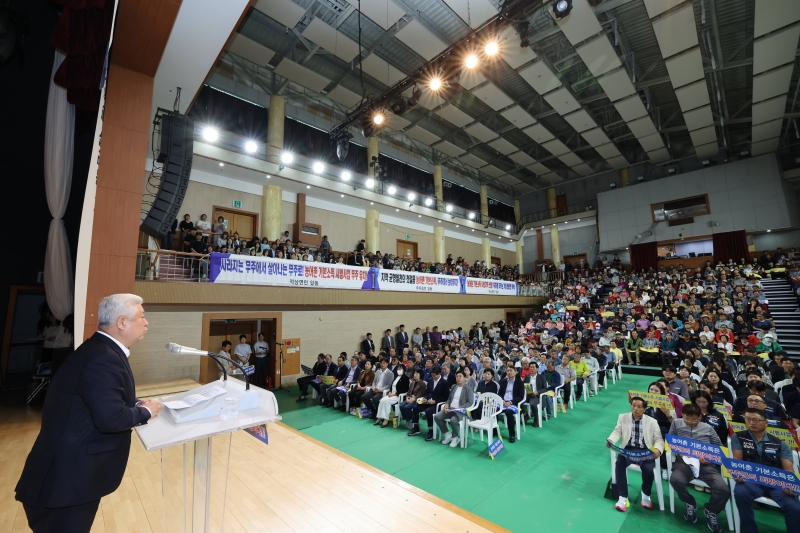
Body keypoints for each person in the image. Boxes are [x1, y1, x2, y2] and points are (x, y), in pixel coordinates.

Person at [16, 294, 161, 533]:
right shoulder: (103, 358)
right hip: (68, 481)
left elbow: (97, 398)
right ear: (121, 322)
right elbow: (110, 418)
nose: (146, 323)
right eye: (142, 317)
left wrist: (134, 403)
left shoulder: (100, 349)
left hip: (70, 475)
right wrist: (145, 411)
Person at [731, 408, 800, 533]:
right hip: (751, 479)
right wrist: (738, 474)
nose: (751, 422)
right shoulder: (738, 437)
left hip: (776, 482)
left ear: (766, 423)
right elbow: (738, 462)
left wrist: (789, 485)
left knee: (794, 507)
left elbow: (788, 470)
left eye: (756, 420)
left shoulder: (780, 443)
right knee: (740, 493)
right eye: (748, 419)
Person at [667, 404, 729, 532]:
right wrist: (679, 451)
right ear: (682, 416)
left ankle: (711, 510)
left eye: (694, 419)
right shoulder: (676, 424)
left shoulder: (708, 428)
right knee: (675, 479)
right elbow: (670, 442)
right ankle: (689, 502)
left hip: (705, 464)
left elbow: (719, 449)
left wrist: (709, 458)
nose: (690, 422)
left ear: (700, 416)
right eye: (687, 419)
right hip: (684, 463)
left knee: (723, 489)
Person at [606, 397, 664, 512]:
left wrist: (658, 449)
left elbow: (658, 439)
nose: (635, 408)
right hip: (628, 450)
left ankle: (646, 494)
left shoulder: (652, 421)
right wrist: (611, 440)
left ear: (644, 409)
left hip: (645, 450)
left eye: (639, 407)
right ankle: (623, 497)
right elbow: (617, 431)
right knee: (619, 464)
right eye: (633, 405)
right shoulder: (623, 417)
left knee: (648, 470)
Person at [433, 371, 475, 448]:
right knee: (437, 417)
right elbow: (449, 399)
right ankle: (448, 434)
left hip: (461, 411)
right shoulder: (454, 387)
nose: (458, 378)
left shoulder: (468, 389)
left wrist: (460, 407)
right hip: (451, 409)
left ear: (464, 378)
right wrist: (447, 404)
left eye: (460, 376)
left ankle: (455, 437)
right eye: (457, 376)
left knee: (453, 420)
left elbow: (470, 402)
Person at [498, 366, 524, 442]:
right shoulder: (503, 381)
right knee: (493, 409)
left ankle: (512, 434)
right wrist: (502, 401)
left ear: (515, 372)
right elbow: (499, 393)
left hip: (513, 403)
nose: (509, 372)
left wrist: (510, 402)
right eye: (507, 371)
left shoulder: (520, 382)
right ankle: (494, 430)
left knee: (508, 412)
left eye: (511, 370)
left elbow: (521, 396)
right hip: (503, 402)